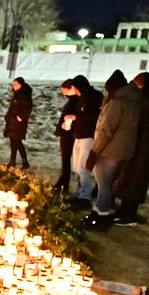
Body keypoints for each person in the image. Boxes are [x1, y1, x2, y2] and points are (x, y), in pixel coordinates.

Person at [84, 69, 142, 230]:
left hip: (108, 151)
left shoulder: (117, 103)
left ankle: (101, 218)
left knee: (104, 185)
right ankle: (98, 212)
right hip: (124, 151)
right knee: (107, 186)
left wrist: (94, 151)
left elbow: (106, 130)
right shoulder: (135, 102)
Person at [112, 72, 149, 226]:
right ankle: (123, 210)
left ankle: (130, 215)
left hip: (144, 147)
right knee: (127, 178)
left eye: (136, 85)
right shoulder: (144, 100)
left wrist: (142, 125)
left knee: (136, 180)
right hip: (136, 144)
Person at [68, 75, 102, 205]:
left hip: (88, 136)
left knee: (83, 168)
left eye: (74, 88)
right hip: (79, 135)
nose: (74, 91)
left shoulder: (94, 97)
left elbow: (94, 117)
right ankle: (79, 194)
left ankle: (84, 197)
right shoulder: (81, 98)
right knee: (77, 167)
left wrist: (76, 117)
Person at [52, 79, 80, 193]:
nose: (62, 92)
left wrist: (66, 124)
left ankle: (63, 183)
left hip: (68, 134)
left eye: (64, 89)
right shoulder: (73, 100)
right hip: (67, 133)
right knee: (65, 159)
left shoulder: (74, 101)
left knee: (66, 159)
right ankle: (63, 182)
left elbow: (71, 117)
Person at [4, 77, 33, 168]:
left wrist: (20, 117)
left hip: (18, 123)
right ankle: (22, 162)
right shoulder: (17, 94)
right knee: (16, 142)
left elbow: (27, 108)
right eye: (13, 84)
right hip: (13, 121)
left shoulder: (24, 95)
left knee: (16, 141)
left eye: (15, 84)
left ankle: (16, 161)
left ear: (20, 85)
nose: (13, 86)